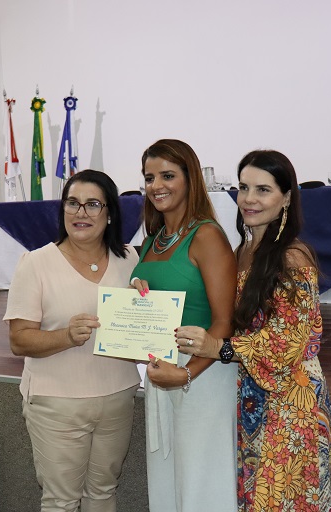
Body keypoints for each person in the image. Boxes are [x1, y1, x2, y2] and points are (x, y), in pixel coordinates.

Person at [175, 150, 331, 512]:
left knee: (282, 502)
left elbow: (286, 343)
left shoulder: (292, 257)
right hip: (253, 396)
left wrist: (218, 347)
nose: (249, 198)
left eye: (263, 190)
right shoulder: (243, 250)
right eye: (244, 187)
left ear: (286, 198)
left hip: (291, 403)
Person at [3, 169, 141, 512]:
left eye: (93, 204)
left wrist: (144, 305)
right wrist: (66, 335)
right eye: (72, 203)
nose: (81, 212)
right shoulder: (35, 263)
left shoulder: (129, 259)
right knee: (61, 502)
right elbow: (19, 340)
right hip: (57, 402)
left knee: (104, 491)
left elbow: (138, 332)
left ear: (110, 213)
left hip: (117, 395)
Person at [130, 139, 238, 512]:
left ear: (190, 178)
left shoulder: (207, 235)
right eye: (149, 178)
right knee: (166, 479)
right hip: (162, 370)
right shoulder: (152, 239)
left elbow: (225, 322)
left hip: (202, 375)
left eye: (167, 175)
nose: (156, 185)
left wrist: (187, 373)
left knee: (202, 483)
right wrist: (136, 295)